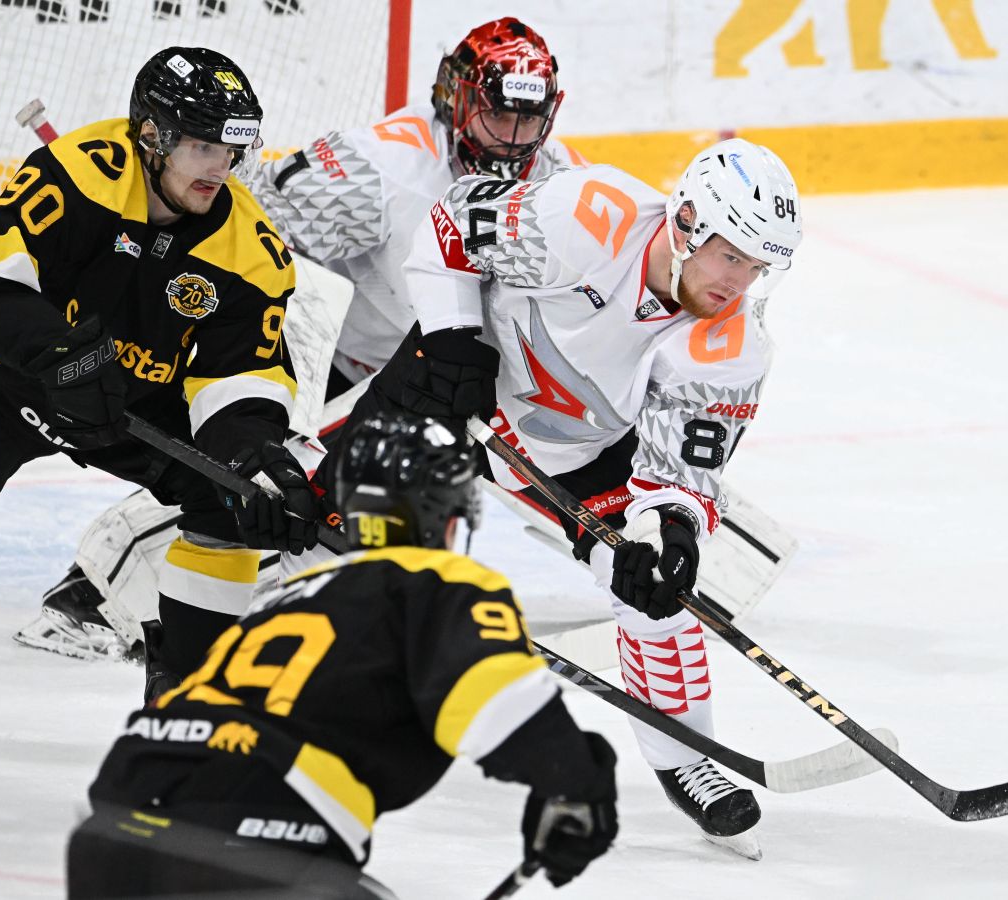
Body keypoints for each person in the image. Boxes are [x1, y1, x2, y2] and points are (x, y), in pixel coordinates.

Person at [14, 17, 585, 662]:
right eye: (497, 116)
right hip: (335, 358)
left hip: (445, 376)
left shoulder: (560, 181)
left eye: (527, 120)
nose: (511, 138)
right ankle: (94, 593)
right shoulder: (379, 167)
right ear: (457, 97)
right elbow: (248, 231)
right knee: (281, 482)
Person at [314, 137, 804, 858]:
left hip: (576, 448)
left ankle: (686, 757)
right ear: (687, 222)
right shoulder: (587, 216)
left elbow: (678, 474)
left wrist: (668, 532)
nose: (740, 282)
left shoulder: (734, 347)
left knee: (659, 593)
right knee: (316, 528)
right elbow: (452, 223)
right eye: (732, 256)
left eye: (758, 267)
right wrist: (452, 338)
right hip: (454, 386)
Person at [0, 47, 318, 686]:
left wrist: (249, 451)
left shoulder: (252, 251)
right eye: (202, 148)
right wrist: (61, 354)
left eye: (231, 150)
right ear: (153, 136)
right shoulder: (79, 173)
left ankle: (189, 706)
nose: (221, 168)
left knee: (227, 498)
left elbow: (240, 376)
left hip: (118, 404)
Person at [67, 413, 618, 899]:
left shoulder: (284, 604)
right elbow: (497, 698)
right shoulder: (436, 583)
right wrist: (578, 784)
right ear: (451, 516)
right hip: (253, 834)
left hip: (117, 820)